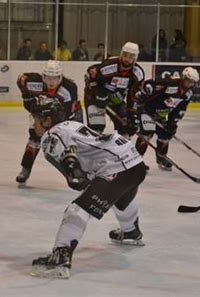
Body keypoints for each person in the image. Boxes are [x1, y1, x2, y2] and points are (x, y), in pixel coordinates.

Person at [29, 97, 147, 279]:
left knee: (77, 210)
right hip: (134, 163)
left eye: (35, 119)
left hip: (116, 166)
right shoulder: (71, 125)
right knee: (122, 198)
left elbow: (69, 156)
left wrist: (73, 171)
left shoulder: (53, 133)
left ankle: (60, 259)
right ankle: (131, 231)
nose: (33, 124)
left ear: (47, 120)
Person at [15, 60, 83, 184]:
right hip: (45, 111)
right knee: (34, 139)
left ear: (61, 77)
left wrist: (48, 126)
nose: (52, 82)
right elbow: (23, 84)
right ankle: (25, 169)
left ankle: (76, 170)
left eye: (55, 78)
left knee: (70, 142)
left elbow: (65, 114)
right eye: (48, 78)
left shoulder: (69, 88)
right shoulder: (35, 82)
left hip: (70, 115)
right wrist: (38, 120)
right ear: (43, 76)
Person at [134, 67, 199, 171]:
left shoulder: (187, 95)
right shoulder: (169, 84)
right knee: (147, 133)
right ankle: (135, 162)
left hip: (160, 116)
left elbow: (179, 109)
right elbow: (148, 85)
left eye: (192, 83)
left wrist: (172, 123)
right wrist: (142, 98)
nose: (189, 84)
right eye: (188, 81)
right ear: (182, 78)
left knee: (166, 135)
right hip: (147, 111)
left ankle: (161, 158)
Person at [84, 42, 145, 137]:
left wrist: (132, 114)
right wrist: (98, 93)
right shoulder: (109, 66)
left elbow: (133, 96)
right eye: (125, 55)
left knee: (127, 128)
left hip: (116, 99)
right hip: (95, 99)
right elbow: (91, 75)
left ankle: (121, 151)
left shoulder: (138, 74)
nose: (126, 59)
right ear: (121, 54)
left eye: (130, 57)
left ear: (135, 58)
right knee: (96, 128)